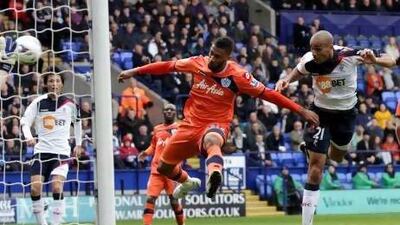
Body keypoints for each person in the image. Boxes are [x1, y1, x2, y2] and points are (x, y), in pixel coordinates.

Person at [119, 37, 319, 199]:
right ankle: (187, 182)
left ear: (227, 57)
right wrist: (134, 71)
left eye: (217, 56)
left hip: (216, 124)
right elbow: (167, 66)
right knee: (163, 167)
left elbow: (268, 93)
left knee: (211, 140)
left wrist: (301, 110)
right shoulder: (197, 62)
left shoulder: (238, 76)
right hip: (189, 125)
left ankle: (214, 173)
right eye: (211, 53)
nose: (212, 58)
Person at [275, 30, 396, 225]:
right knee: (316, 169)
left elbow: (392, 60)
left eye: (318, 49)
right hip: (320, 114)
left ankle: (315, 148)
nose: (314, 53)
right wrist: (286, 80)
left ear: (331, 47)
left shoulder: (350, 55)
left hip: (346, 115)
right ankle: (306, 223)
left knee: (337, 157)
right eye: (312, 49)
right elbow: (299, 70)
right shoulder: (310, 60)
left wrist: (374, 60)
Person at [21, 73, 83, 225]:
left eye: (57, 81)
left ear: (61, 84)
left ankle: (55, 223)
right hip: (41, 152)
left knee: (56, 186)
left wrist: (79, 143)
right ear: (45, 84)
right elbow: (25, 122)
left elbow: (78, 124)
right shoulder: (38, 102)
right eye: (51, 81)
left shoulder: (70, 104)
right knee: (35, 189)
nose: (54, 84)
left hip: (61, 152)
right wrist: (29, 136)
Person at [138, 103, 184, 225]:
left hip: (171, 171)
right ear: (163, 113)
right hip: (156, 171)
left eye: (172, 109)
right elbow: (154, 145)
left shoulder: (180, 128)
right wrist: (145, 153)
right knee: (150, 198)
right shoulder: (157, 129)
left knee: (174, 202)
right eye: (166, 109)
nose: (169, 111)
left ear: (175, 113)